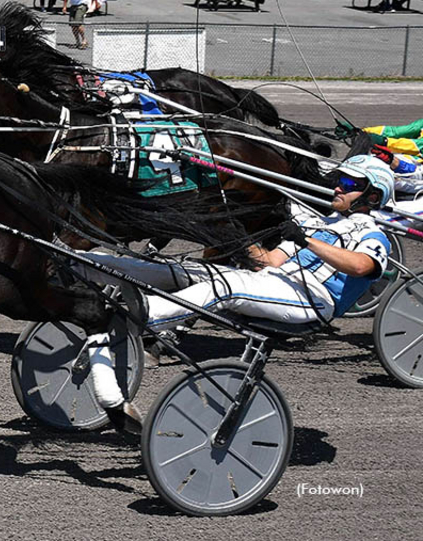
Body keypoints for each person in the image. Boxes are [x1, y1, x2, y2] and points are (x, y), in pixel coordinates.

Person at [78, 154, 395, 433]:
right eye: (339, 179)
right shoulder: (320, 223)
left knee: (226, 289)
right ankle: (84, 264)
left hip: (311, 301)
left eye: (350, 182)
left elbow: (361, 266)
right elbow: (267, 262)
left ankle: (144, 314)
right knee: (186, 270)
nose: (338, 186)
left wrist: (306, 241)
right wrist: (232, 229)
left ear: (372, 196)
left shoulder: (372, 234)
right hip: (273, 281)